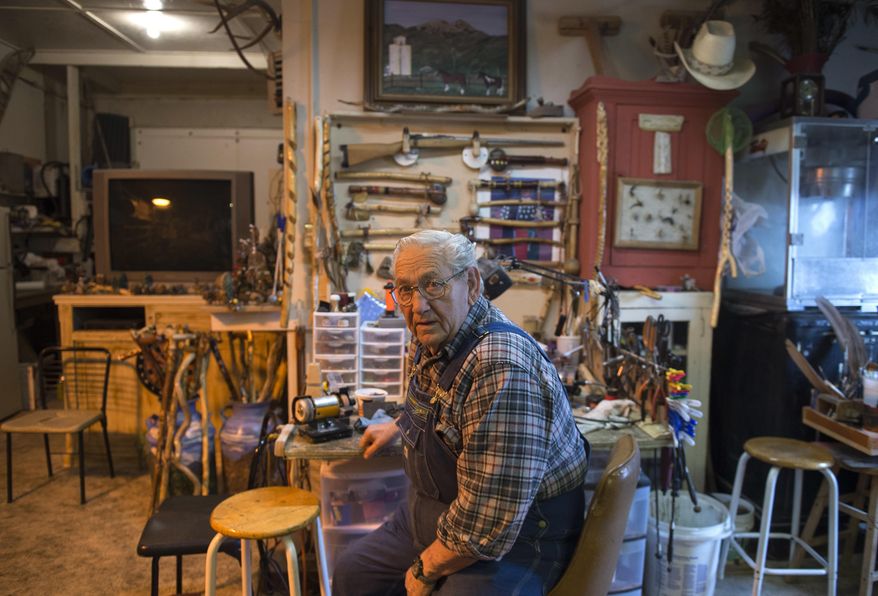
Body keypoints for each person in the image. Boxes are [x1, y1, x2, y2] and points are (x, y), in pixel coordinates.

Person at [332, 230, 589, 595]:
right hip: (434, 514)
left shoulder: (500, 366)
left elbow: (489, 521)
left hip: (514, 536)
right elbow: (443, 407)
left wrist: (424, 570)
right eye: (404, 289)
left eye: (433, 284)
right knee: (353, 573)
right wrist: (400, 423)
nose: (417, 305)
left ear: (470, 284)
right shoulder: (432, 331)